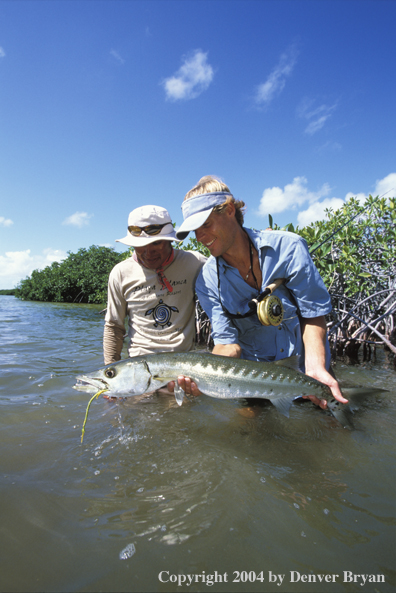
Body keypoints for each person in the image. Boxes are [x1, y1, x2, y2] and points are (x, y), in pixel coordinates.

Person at [175, 176, 348, 409]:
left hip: (307, 369)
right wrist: (204, 379)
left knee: (335, 431)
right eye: (195, 230)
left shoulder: (288, 248)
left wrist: (315, 368)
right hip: (254, 383)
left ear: (228, 210)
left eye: (205, 224)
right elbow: (228, 345)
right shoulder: (206, 282)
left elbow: (312, 315)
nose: (201, 237)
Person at [104, 206, 207, 390]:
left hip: (183, 373)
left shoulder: (195, 263)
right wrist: (110, 381)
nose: (148, 252)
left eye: (156, 243)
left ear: (170, 242)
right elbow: (114, 327)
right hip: (137, 371)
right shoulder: (120, 273)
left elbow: (228, 276)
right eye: (140, 245)